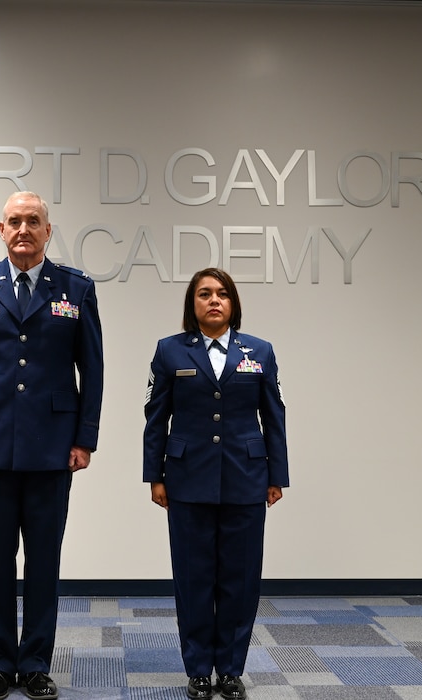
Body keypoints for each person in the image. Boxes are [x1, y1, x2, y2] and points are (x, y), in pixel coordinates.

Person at [0, 191, 104, 700]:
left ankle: (34, 663)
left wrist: (85, 439)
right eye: (14, 221)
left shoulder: (75, 289)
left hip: (53, 448)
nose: (23, 230)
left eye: (33, 221)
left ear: (48, 230)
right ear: (1, 228)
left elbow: (92, 370)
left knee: (43, 559)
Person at [142, 268, 288, 700]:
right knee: (194, 578)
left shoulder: (259, 351)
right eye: (204, 293)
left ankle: (230, 669)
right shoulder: (170, 352)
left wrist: (277, 475)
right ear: (193, 304)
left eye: (222, 294)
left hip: (247, 479)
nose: (214, 300)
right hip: (187, 480)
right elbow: (156, 418)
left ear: (233, 303)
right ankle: (198, 669)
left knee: (240, 581)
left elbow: (274, 417)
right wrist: (155, 475)